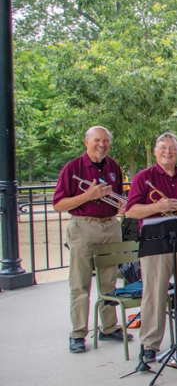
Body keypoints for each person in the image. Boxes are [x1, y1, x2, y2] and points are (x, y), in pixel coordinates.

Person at [124, 132, 177, 364]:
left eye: (172, 147)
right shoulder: (143, 177)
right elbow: (130, 211)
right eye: (163, 147)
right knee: (155, 294)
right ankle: (150, 344)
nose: (168, 151)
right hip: (155, 243)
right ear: (155, 150)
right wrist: (157, 206)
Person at [52, 126, 130, 353]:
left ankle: (108, 327)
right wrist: (89, 195)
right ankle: (78, 333)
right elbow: (58, 204)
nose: (102, 144)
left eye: (106, 141)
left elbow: (118, 197)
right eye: (97, 140)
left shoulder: (114, 166)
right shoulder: (72, 168)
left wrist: (122, 205)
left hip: (110, 225)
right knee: (80, 283)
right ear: (86, 142)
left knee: (109, 282)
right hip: (83, 227)